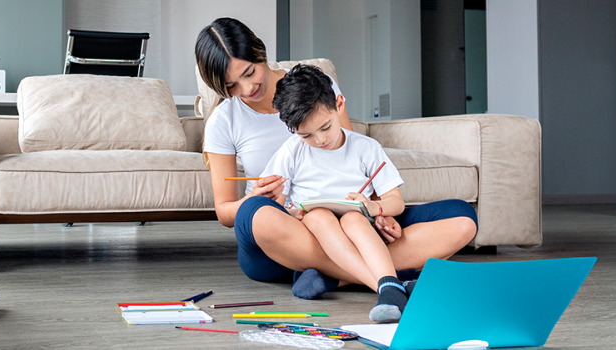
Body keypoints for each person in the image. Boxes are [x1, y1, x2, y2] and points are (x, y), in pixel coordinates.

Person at [196, 17, 478, 301]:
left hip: (353, 221)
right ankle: (387, 280)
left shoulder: (316, 84)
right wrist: (256, 197)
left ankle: (331, 277)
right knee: (253, 213)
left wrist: (380, 214)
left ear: (260, 53)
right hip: (289, 233)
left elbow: (349, 157)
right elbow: (225, 213)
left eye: (249, 73)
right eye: (231, 86)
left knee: (461, 216)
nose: (246, 90)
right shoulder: (224, 121)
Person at [263, 64, 408, 322]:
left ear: (339, 104)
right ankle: (391, 286)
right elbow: (276, 208)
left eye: (326, 127)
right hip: (312, 233)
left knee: (353, 218)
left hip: (358, 228)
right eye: (306, 134)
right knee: (318, 216)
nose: (319, 140)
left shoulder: (366, 148)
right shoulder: (291, 151)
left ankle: (330, 278)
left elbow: (397, 202)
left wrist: (374, 208)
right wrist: (287, 210)